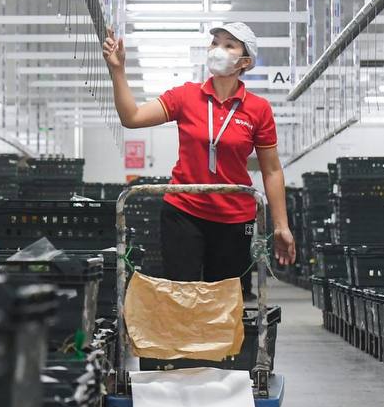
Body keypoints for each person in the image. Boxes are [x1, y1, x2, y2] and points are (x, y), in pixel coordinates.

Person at [102, 22, 295, 295]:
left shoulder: (258, 109)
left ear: (245, 61)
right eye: (215, 42)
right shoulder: (185, 96)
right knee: (182, 296)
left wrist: (281, 226)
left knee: (224, 300)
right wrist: (118, 71)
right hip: (184, 211)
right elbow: (131, 118)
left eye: (229, 45)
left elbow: (272, 170)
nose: (218, 49)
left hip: (235, 218)